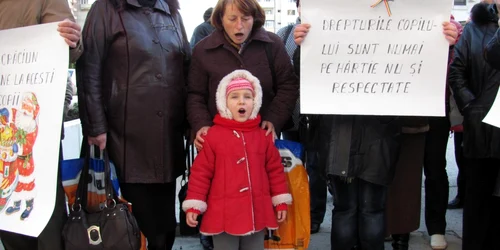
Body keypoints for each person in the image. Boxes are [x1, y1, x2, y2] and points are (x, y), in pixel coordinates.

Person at [294, 19, 458, 250]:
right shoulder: (331, 22)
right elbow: (304, 75)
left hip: (375, 131)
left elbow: (420, 63)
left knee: (368, 208)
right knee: (349, 209)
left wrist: (442, 44)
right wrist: (305, 46)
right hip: (344, 130)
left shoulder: (390, 23)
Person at [75, 0, 190, 249]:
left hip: (166, 138)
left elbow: (186, 67)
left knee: (164, 226)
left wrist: (191, 124)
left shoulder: (170, 11)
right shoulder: (105, 9)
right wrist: (95, 126)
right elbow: (89, 68)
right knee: (125, 223)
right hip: (123, 138)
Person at [0, 0, 82, 249]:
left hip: (34, 122)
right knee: (8, 218)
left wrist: (72, 40)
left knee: (44, 210)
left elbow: (67, 47)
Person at [183, 69, 292, 250]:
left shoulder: (263, 137)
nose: (242, 101)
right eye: (234, 96)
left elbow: (275, 171)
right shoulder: (213, 137)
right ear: (224, 102)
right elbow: (200, 175)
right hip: (223, 216)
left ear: (255, 102)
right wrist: (194, 204)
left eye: (248, 97)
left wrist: (280, 200)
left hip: (256, 213)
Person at [386, 16, 462, 250]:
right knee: (401, 172)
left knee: (435, 168)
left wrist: (452, 38)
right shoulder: (390, 10)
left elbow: (456, 34)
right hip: (399, 106)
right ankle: (400, 228)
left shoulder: (441, 16)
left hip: (434, 107)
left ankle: (436, 227)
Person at [187, 0, 298, 157]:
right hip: (218, 145)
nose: (239, 26)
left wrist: (273, 119)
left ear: (254, 18)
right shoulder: (203, 50)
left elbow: (288, 86)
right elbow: (195, 94)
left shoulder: (272, 45)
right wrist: (202, 125)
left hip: (262, 143)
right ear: (220, 18)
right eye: (232, 19)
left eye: (246, 18)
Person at [449, 2, 500, 249]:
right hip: (483, 128)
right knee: (479, 198)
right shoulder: (474, 28)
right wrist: (471, 107)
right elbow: (457, 72)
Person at [276, 0, 326, 234]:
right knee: (292, 166)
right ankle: (292, 210)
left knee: (317, 168)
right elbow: (281, 72)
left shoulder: (331, 33)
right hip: (292, 115)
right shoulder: (284, 33)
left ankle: (315, 215)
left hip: (321, 116)